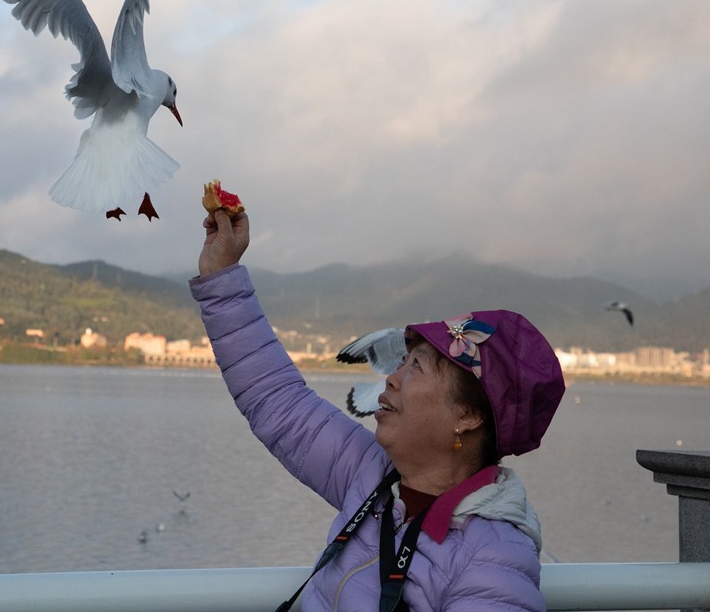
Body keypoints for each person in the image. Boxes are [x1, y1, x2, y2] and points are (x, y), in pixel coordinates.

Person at [190, 209, 565, 612]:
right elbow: (276, 399)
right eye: (402, 362)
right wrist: (222, 275)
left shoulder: (493, 557)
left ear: (467, 417)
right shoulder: (371, 476)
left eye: (417, 366)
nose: (391, 378)